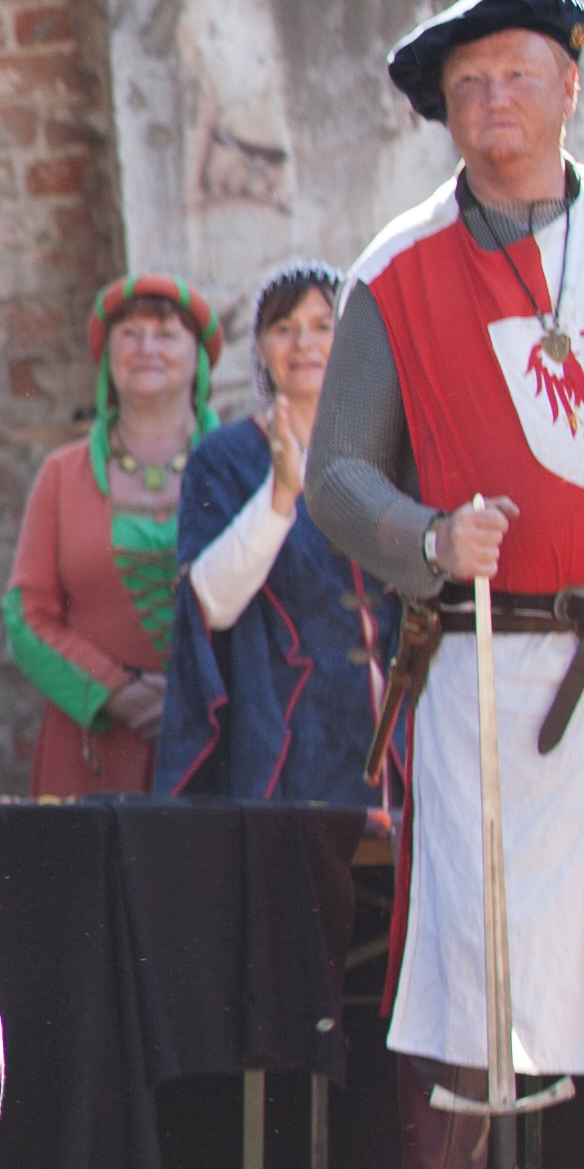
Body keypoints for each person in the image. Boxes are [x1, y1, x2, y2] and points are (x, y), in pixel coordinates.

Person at [306, 0, 584, 1169]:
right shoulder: (401, 268)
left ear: (570, 86)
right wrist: (428, 535)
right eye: (469, 82)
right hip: (491, 654)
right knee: (458, 949)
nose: (493, 100)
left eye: (518, 73)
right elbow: (336, 476)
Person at [160, 259, 390, 807]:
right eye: (284, 328)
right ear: (261, 349)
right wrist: (280, 496)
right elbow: (207, 605)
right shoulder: (224, 459)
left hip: (396, 748)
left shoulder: (391, 450)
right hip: (285, 751)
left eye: (322, 326)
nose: (303, 343)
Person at [4, 276, 218, 798]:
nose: (147, 349)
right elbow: (27, 616)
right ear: (106, 358)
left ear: (199, 357)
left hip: (219, 739)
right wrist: (119, 693)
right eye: (130, 333)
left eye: (165, 334)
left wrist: (193, 700)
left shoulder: (242, 469)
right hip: (94, 751)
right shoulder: (61, 475)